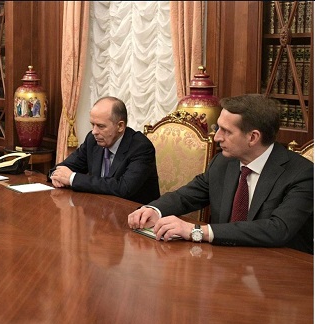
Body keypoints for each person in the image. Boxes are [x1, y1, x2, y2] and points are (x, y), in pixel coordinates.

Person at [127, 94, 314, 254]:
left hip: (280, 273)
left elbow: (277, 229)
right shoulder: (223, 162)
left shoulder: (302, 174)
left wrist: (197, 231)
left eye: (226, 131)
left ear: (253, 137)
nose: (216, 137)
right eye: (218, 128)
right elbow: (187, 196)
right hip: (223, 262)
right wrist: (154, 210)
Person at [49, 96, 160, 204]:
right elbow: (64, 167)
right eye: (92, 125)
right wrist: (56, 175)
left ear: (120, 126)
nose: (94, 131)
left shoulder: (141, 147)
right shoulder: (93, 140)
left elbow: (124, 188)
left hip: (134, 214)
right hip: (98, 209)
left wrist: (72, 178)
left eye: (101, 126)